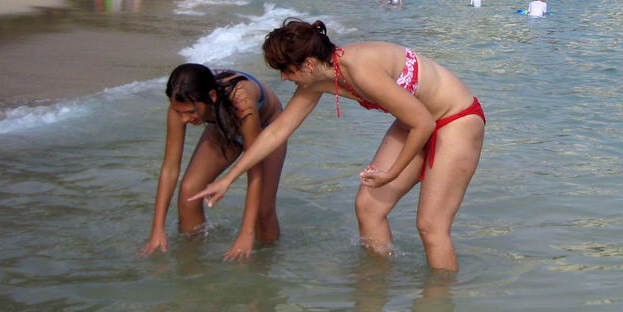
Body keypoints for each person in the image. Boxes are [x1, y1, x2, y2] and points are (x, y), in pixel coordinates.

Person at [189, 20, 485, 271]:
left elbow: (424, 123)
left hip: (455, 119)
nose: (283, 78)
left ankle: (438, 308)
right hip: (417, 121)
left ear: (307, 64)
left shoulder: (359, 67)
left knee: (431, 226)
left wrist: (392, 173)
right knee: (368, 207)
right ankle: (376, 286)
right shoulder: (317, 79)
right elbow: (276, 132)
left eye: (287, 70)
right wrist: (228, 178)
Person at [139, 63, 286, 261]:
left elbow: (254, 170)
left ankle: (265, 267)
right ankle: (192, 263)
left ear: (212, 97)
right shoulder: (180, 101)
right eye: (179, 111)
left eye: (190, 112)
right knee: (190, 190)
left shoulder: (241, 102)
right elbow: (170, 169)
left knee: (262, 210)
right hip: (225, 124)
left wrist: (245, 234)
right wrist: (157, 229)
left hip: (267, 128)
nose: (184, 119)